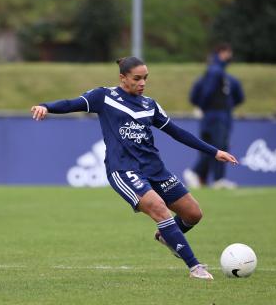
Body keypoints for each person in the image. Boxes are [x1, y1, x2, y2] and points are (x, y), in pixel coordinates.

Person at [30, 57, 239, 280]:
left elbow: (177, 132)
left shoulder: (150, 104)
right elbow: (72, 104)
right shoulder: (104, 97)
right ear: (123, 78)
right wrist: (46, 106)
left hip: (155, 169)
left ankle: (167, 237)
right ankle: (195, 267)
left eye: (145, 78)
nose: (142, 83)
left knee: (193, 213)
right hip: (123, 169)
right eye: (137, 78)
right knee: (159, 208)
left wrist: (214, 152)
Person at [183, 43, 245, 189]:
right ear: (221, 53)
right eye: (228, 53)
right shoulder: (216, 72)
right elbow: (206, 93)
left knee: (212, 146)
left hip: (217, 115)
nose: (230, 56)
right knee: (218, 146)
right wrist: (204, 107)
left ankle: (202, 176)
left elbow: (238, 96)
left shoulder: (222, 75)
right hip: (215, 116)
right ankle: (205, 175)